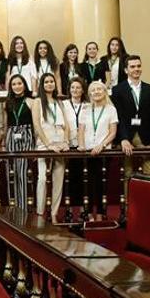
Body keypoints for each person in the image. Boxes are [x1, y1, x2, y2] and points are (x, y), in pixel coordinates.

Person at [111, 55, 150, 188]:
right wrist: (123, 138)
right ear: (126, 70)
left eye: (138, 66)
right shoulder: (117, 90)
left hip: (145, 135)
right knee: (127, 172)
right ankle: (129, 204)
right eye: (132, 66)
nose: (136, 69)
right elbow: (119, 116)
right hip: (126, 135)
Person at [77, 81, 119, 221]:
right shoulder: (85, 109)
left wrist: (101, 145)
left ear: (105, 92)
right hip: (88, 151)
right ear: (89, 94)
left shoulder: (111, 109)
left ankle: (100, 214)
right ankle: (88, 214)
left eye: (99, 89)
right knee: (87, 184)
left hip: (104, 151)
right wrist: (82, 145)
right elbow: (81, 131)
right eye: (93, 90)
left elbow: (113, 132)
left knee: (101, 184)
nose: (96, 92)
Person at [32, 73, 69, 222]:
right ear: (42, 84)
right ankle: (41, 212)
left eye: (51, 81)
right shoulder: (37, 101)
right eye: (46, 82)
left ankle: (54, 213)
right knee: (42, 178)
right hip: (44, 142)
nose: (49, 84)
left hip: (59, 141)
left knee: (58, 177)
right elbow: (36, 124)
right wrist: (47, 143)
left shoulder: (60, 102)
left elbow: (66, 124)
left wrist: (66, 141)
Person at [4, 74, 34, 210]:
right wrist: (4, 142)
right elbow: (5, 124)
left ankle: (25, 208)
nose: (17, 86)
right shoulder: (7, 102)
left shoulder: (31, 101)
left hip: (26, 134)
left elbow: (35, 124)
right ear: (10, 86)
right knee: (12, 171)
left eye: (19, 83)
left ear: (24, 85)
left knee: (24, 172)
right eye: (14, 84)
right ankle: (14, 206)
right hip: (11, 134)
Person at [61, 76, 87, 210]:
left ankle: (83, 208)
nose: (75, 90)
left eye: (78, 87)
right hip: (69, 144)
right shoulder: (63, 104)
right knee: (70, 178)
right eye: (72, 87)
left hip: (84, 145)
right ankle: (70, 208)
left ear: (83, 90)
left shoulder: (88, 105)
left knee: (83, 178)